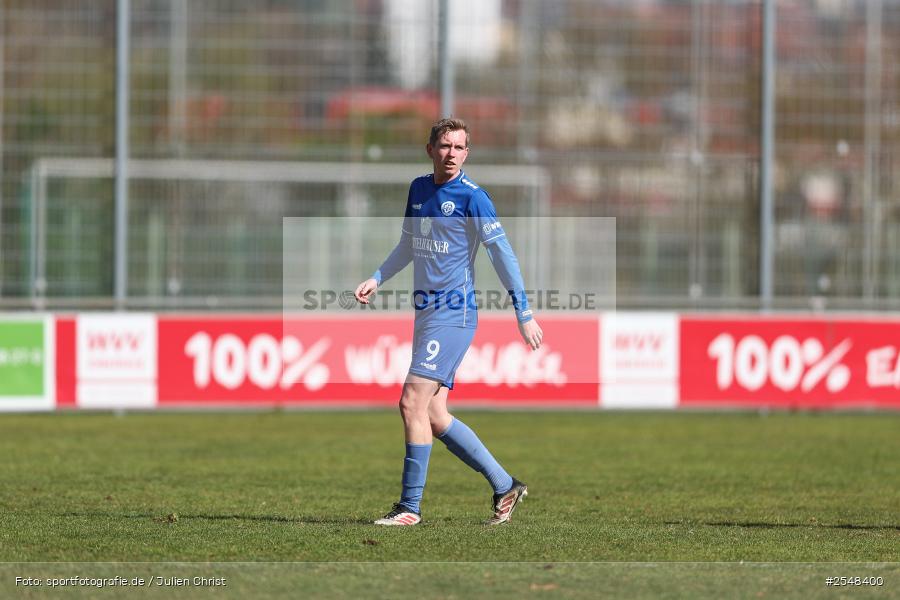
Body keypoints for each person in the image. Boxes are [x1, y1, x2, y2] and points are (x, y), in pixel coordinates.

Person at [354, 117, 543, 526]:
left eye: (459, 147)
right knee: (435, 414)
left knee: (410, 402)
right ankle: (504, 484)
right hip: (426, 314)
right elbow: (408, 243)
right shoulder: (419, 190)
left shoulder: (475, 198)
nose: (452, 154)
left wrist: (523, 312)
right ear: (430, 149)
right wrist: (377, 277)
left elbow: (502, 255)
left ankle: (409, 509)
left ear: (467, 153)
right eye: (445, 146)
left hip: (453, 314)